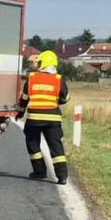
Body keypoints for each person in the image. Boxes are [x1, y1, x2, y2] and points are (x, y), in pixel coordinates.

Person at [19, 49, 69, 183]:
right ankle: (62, 176)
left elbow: (24, 99)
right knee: (56, 147)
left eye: (39, 61)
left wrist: (20, 112)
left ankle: (39, 172)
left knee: (33, 144)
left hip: (34, 119)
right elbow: (65, 98)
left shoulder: (32, 78)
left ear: (44, 63)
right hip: (53, 119)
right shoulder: (59, 79)